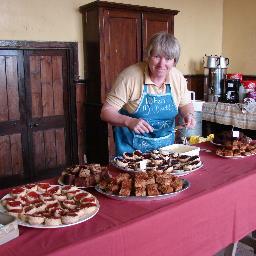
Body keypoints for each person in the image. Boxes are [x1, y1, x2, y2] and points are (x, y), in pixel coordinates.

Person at [100, 32, 196, 156]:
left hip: (166, 152)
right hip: (131, 153)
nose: (162, 64)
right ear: (148, 56)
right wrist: (129, 121)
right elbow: (106, 112)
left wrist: (189, 114)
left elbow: (185, 104)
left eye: (168, 58)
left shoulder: (177, 78)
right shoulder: (130, 77)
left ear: (174, 61)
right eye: (157, 56)